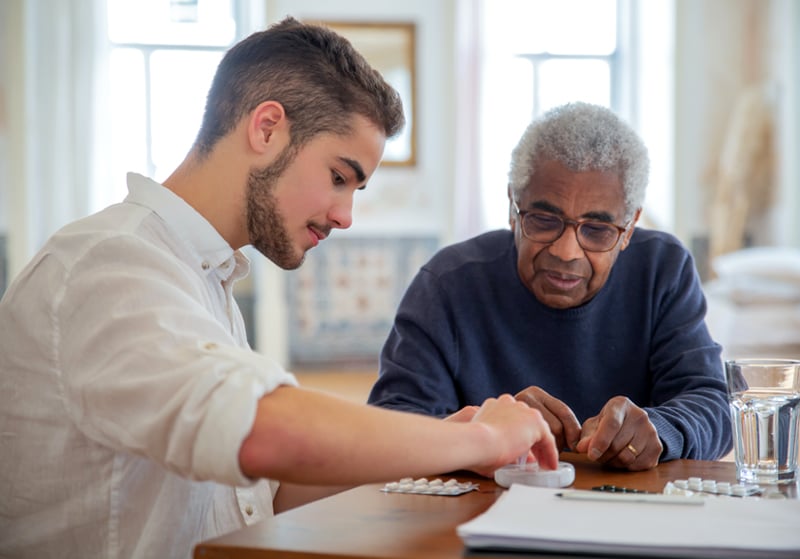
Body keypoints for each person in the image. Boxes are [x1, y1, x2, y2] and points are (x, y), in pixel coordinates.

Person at [0, 17, 558, 559]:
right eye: (340, 177)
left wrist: (433, 440)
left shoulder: (201, 276)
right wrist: (483, 441)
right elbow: (263, 432)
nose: (346, 217)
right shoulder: (108, 264)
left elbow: (261, 494)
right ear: (266, 128)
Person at [369, 101, 732, 471]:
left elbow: (713, 405)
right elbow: (391, 429)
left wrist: (662, 427)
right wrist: (487, 431)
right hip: (477, 516)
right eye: (543, 220)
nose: (565, 251)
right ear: (513, 207)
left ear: (629, 227)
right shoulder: (447, 284)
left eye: (597, 230)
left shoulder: (662, 271)